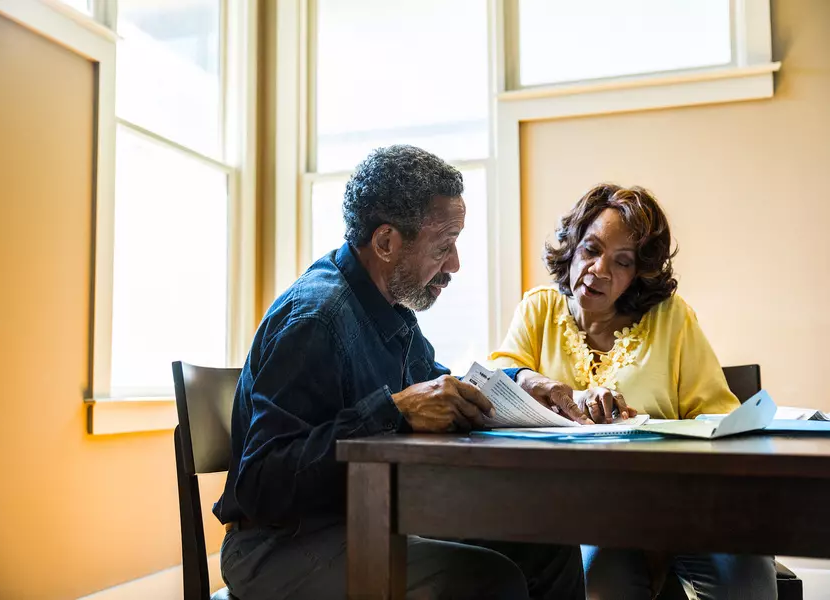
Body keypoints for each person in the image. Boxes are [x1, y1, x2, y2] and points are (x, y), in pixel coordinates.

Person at [214, 145, 585, 600]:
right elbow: (261, 485)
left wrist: (523, 383)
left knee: (548, 544)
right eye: (444, 245)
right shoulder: (315, 319)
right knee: (488, 579)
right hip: (277, 545)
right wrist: (393, 412)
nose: (455, 264)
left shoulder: (390, 308)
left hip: (370, 517)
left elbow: (442, 390)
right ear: (386, 242)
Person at [489, 183, 777, 599]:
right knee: (602, 580)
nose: (599, 270)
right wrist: (529, 378)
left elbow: (718, 418)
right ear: (573, 246)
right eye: (591, 249)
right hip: (579, 513)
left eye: (622, 262)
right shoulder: (539, 308)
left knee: (746, 575)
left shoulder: (671, 318)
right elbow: (497, 379)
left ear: (639, 273)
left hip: (680, 506)